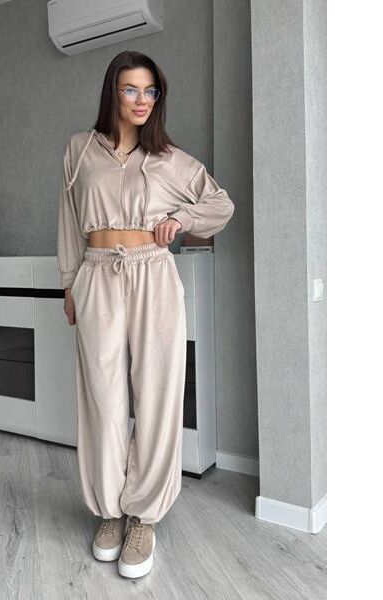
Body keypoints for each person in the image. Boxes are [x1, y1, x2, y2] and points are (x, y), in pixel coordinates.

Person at [57, 50, 235, 579]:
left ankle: (144, 516)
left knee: (157, 393)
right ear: (112, 91)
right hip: (95, 275)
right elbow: (67, 219)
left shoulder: (171, 159)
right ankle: (110, 510)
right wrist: (69, 283)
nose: (141, 100)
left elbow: (221, 205)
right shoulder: (79, 149)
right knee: (103, 398)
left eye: (150, 91)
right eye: (131, 89)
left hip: (154, 274)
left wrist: (181, 218)